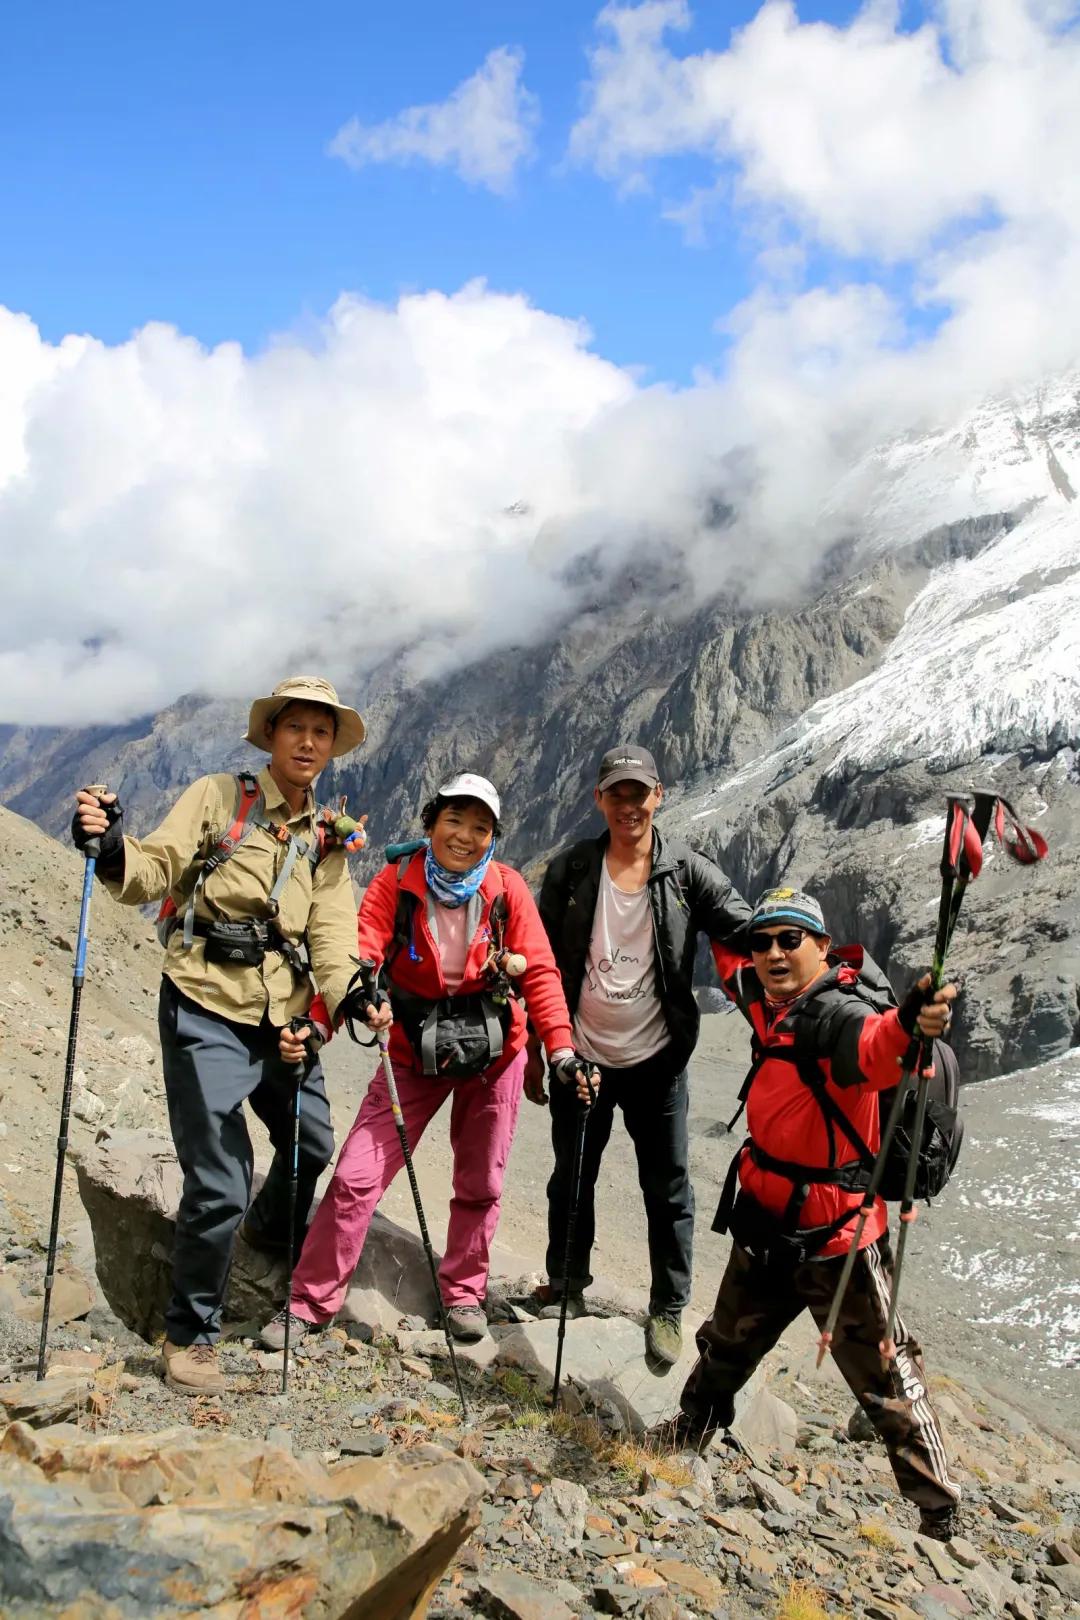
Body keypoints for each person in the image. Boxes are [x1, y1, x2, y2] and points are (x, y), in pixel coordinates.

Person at [71, 674, 365, 1394]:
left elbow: (331, 937)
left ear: (331, 748)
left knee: (313, 1143)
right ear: (271, 735)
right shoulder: (218, 800)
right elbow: (153, 869)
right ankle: (191, 1337)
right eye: (295, 727)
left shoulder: (327, 841)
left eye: (320, 732)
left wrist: (350, 995)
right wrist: (111, 847)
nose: (307, 742)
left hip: (282, 1020)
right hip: (204, 1005)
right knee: (219, 1179)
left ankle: (264, 1234)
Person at [664, 885, 962, 1540]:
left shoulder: (837, 1013)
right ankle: (690, 1430)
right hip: (766, 1226)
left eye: (790, 939)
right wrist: (679, 872)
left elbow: (879, 1047)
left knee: (886, 1373)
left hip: (840, 1246)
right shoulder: (765, 998)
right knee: (725, 1345)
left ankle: (939, 1514)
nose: (772, 951)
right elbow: (727, 955)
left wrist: (912, 1020)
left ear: (823, 948)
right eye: (764, 940)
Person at [260, 771, 592, 1349]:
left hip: (495, 1054)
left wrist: (560, 1050)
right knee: (356, 1177)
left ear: (493, 836)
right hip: (413, 1051)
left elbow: (539, 972)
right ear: (431, 823)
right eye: (454, 821)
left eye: (480, 826)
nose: (465, 836)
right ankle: (309, 1302)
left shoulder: (507, 889)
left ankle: (464, 1291)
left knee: (480, 1179)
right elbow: (357, 957)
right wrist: (320, 1020)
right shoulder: (395, 884)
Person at [527, 744, 752, 1366]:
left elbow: (744, 929)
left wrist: (801, 960)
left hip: (658, 1059)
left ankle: (668, 1309)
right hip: (583, 1057)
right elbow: (541, 962)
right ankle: (566, 1287)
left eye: (639, 792)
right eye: (616, 793)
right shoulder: (572, 871)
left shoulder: (686, 871)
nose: (629, 805)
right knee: (571, 1177)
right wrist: (536, 1049)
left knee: (669, 1188)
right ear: (600, 800)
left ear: (660, 795)